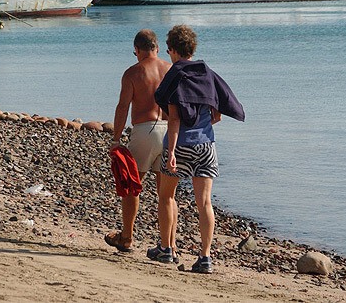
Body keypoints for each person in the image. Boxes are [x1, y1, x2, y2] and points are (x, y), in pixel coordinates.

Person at [149, 24, 245, 272]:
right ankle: (205, 257)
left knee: (166, 196)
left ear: (172, 51)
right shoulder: (207, 74)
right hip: (206, 145)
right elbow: (218, 115)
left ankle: (166, 249)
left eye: (169, 50)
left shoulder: (176, 75)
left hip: (179, 146)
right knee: (204, 203)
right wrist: (202, 125)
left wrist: (170, 152)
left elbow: (174, 118)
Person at [104, 29, 172, 254]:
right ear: (158, 48)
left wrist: (116, 138)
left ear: (137, 50)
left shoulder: (133, 72)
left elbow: (123, 106)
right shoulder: (170, 69)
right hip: (170, 131)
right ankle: (168, 244)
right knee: (167, 193)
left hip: (145, 130)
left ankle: (127, 237)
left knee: (132, 186)